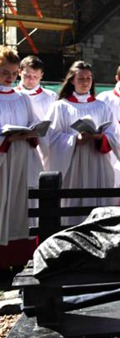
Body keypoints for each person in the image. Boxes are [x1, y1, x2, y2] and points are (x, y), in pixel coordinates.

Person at [45, 61, 120, 222]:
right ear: (72, 80)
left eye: (89, 78)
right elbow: (50, 138)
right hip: (73, 162)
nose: (85, 82)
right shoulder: (60, 107)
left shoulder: (101, 107)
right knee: (73, 203)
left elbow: (116, 137)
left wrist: (100, 137)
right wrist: (75, 139)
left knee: (98, 201)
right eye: (81, 78)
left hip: (98, 160)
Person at [0, 46, 44, 268]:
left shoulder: (22, 98)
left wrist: (31, 132)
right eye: (4, 72)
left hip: (22, 160)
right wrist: (6, 138)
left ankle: (19, 258)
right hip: (3, 161)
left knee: (20, 206)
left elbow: (33, 125)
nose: (10, 77)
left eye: (14, 73)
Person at [15, 55, 57, 120]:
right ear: (19, 72)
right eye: (27, 76)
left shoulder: (51, 97)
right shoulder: (10, 96)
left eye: (35, 77)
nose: (31, 80)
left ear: (41, 75)